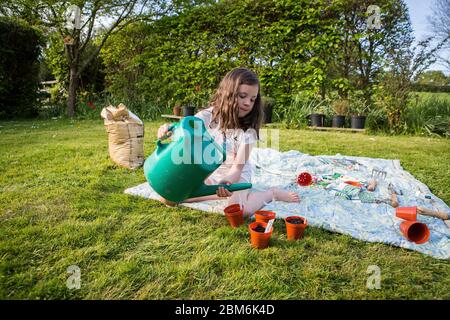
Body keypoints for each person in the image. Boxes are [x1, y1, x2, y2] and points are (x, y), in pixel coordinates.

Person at [157, 67, 299, 216]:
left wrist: (227, 183)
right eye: (242, 96)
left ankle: (271, 194)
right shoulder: (206, 116)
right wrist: (167, 130)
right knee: (168, 198)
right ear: (228, 93)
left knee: (239, 212)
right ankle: (213, 193)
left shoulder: (248, 130)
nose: (247, 103)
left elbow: (237, 168)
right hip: (209, 172)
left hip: (236, 175)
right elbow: (184, 133)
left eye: (252, 99)